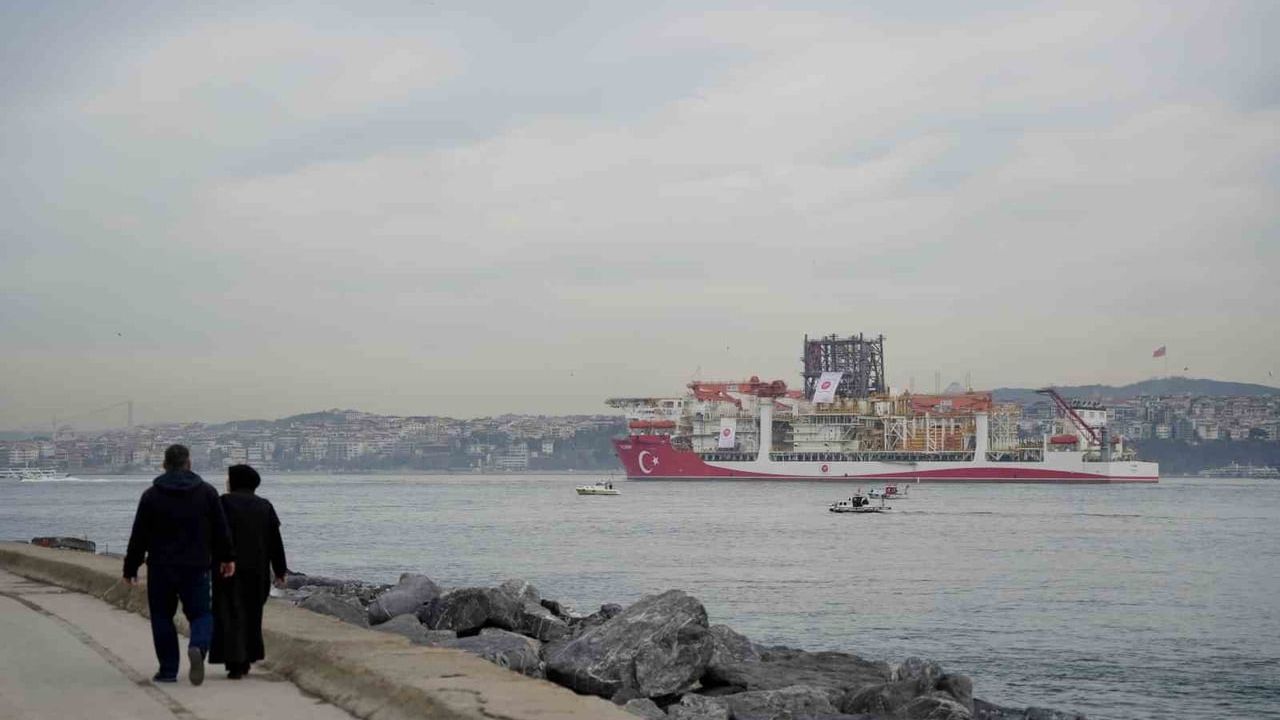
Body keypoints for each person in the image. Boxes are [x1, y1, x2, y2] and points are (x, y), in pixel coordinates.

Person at [123, 445, 236, 686]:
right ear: (189, 463)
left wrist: (130, 568)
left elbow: (139, 536)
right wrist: (227, 558)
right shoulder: (207, 493)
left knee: (162, 616)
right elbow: (221, 530)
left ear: (164, 465)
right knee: (202, 613)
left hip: (161, 567)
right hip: (196, 565)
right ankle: (197, 646)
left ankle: (168, 670)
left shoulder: (151, 495)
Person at [210, 464, 288, 679]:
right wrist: (280, 570)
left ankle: (234, 661)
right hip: (258, 571)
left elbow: (212, 534)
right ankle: (246, 658)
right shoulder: (265, 506)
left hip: (227, 569)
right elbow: (275, 542)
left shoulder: (223, 503)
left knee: (229, 615)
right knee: (252, 615)